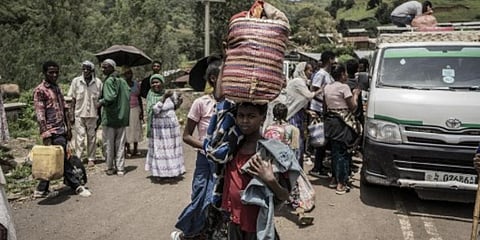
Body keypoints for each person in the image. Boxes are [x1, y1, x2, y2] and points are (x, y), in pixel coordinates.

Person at [209, 102, 299, 239]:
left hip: (257, 227)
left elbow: (284, 196)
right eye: (241, 115)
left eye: (251, 116)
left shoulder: (270, 153)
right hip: (233, 223)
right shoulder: (231, 149)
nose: (245, 121)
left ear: (262, 118)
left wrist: (270, 180)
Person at [171, 56, 223, 240]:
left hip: (223, 161)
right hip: (205, 159)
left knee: (218, 200)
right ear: (213, 79)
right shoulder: (201, 103)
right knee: (200, 196)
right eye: (225, 75)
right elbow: (186, 136)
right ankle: (192, 233)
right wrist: (208, 147)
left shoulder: (232, 105)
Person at [33, 60, 91, 198]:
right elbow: (40, 114)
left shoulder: (56, 88)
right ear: (44, 73)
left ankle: (41, 189)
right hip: (52, 131)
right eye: (51, 72)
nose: (54, 75)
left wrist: (69, 128)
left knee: (54, 159)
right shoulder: (40, 90)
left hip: (61, 129)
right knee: (63, 159)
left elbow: (64, 108)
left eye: (56, 72)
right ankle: (77, 186)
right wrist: (46, 134)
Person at [264, 103, 315, 225]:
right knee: (294, 189)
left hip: (271, 165)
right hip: (287, 165)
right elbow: (295, 149)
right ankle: (300, 213)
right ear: (286, 114)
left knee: (270, 190)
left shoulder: (268, 129)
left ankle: (267, 216)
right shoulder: (293, 129)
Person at [323, 63, 362, 194]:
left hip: (330, 121)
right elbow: (353, 107)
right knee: (343, 153)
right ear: (342, 74)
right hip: (342, 123)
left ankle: (334, 179)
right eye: (345, 73)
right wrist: (355, 94)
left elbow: (325, 106)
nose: (346, 75)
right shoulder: (344, 87)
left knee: (335, 151)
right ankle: (341, 183)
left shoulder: (327, 87)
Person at [145, 74, 185, 180]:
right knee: (161, 149)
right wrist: (164, 98)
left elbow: (175, 106)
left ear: (162, 83)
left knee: (171, 149)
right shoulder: (151, 95)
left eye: (157, 82)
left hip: (171, 128)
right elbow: (155, 110)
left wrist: (179, 100)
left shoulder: (170, 93)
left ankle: (173, 171)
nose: (155, 85)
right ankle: (160, 173)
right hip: (159, 129)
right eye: (153, 83)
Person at [67, 60, 103, 167]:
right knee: (80, 137)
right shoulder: (76, 81)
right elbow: (72, 99)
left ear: (92, 70)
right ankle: (78, 158)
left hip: (93, 114)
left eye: (88, 69)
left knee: (91, 137)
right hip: (79, 114)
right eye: (84, 68)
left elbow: (100, 100)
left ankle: (91, 158)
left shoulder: (98, 83)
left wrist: (99, 116)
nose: (85, 71)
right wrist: (71, 115)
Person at [99, 59, 130, 176]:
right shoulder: (122, 81)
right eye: (102, 67)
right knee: (120, 144)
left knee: (109, 144)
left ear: (112, 68)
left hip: (110, 117)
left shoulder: (108, 82)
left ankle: (110, 167)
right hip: (122, 118)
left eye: (105, 67)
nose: (103, 69)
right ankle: (121, 168)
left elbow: (109, 98)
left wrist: (100, 101)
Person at [308, 51, 336, 179]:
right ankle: (316, 168)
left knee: (324, 140)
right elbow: (313, 91)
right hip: (319, 109)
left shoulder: (328, 75)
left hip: (325, 109)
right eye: (334, 59)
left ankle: (320, 165)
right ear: (330, 59)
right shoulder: (320, 74)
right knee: (320, 140)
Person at [122, 67, 143, 157]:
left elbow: (139, 98)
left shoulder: (136, 84)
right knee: (127, 129)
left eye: (130, 73)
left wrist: (142, 111)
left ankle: (135, 149)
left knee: (136, 128)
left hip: (136, 108)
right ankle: (127, 149)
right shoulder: (122, 84)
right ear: (124, 75)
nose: (128, 75)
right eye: (126, 74)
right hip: (126, 109)